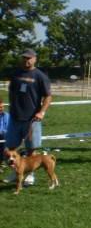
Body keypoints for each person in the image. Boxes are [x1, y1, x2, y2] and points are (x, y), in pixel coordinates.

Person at [3, 49, 52, 185]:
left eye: (29, 58)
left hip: (32, 120)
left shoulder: (40, 76)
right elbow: (11, 92)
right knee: (11, 148)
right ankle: (15, 172)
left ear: (35, 59)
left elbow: (48, 96)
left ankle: (30, 174)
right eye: (24, 58)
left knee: (31, 148)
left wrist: (41, 112)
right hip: (15, 118)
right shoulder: (16, 74)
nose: (27, 60)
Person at [0, 99, 10, 168]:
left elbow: (9, 128)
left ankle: (2, 160)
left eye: (2, 107)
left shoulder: (7, 116)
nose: (1, 109)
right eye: (0, 107)